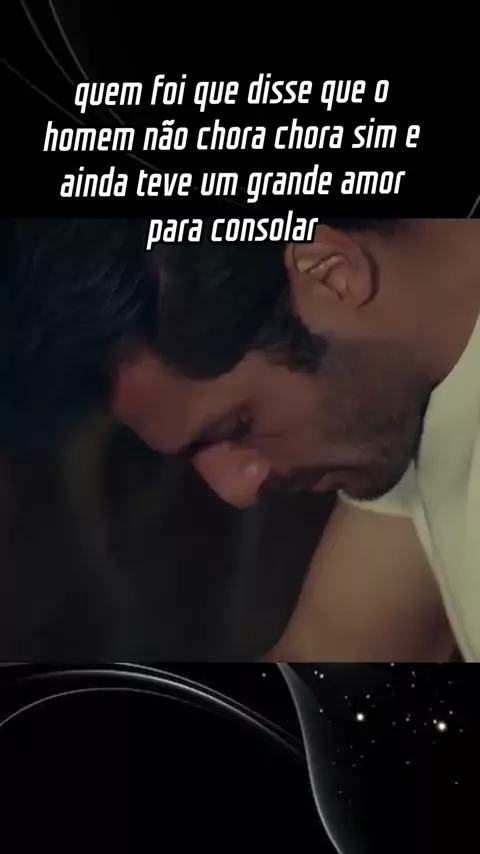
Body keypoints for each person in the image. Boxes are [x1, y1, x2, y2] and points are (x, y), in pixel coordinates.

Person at [2, 218, 480, 661]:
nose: (237, 489)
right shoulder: (408, 401)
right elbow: (326, 654)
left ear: (330, 274)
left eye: (238, 427)